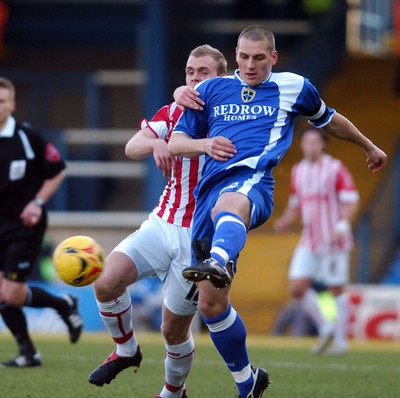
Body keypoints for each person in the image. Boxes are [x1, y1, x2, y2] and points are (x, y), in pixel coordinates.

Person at [168, 25, 387, 398]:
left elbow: (329, 119)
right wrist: (205, 144)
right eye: (244, 56)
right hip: (208, 197)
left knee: (230, 204)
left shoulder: (294, 87)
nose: (250, 65)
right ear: (235, 55)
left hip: (253, 185)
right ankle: (247, 382)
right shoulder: (209, 91)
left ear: (273, 57)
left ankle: (219, 258)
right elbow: (176, 143)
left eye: (259, 58)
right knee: (210, 303)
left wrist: (368, 145)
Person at [87, 45, 227, 398]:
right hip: (162, 222)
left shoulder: (231, 118)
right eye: (190, 71)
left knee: (172, 330)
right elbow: (132, 147)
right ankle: (126, 350)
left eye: (203, 72)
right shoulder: (173, 111)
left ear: (221, 77)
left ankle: (173, 391)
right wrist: (154, 143)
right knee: (105, 281)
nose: (194, 78)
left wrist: (179, 144)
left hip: (199, 237)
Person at [0, 77, 83, 367]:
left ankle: (62, 306)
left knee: (9, 292)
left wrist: (37, 202)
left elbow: (57, 169)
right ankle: (30, 351)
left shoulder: (27, 137)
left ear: (11, 104)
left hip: (26, 223)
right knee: (5, 293)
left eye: (2, 101)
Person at [273, 127, 359, 355]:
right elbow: (295, 205)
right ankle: (326, 326)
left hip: (333, 240)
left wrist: (342, 225)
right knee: (297, 288)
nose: (311, 147)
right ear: (301, 145)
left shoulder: (335, 169)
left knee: (336, 289)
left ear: (323, 145)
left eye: (315, 142)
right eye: (307, 142)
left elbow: (351, 201)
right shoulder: (298, 171)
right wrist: (284, 220)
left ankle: (341, 342)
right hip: (309, 239)